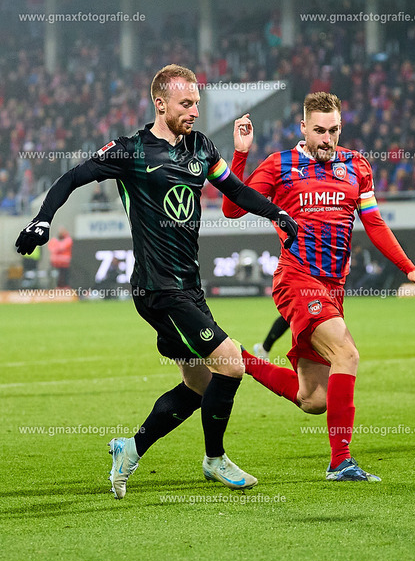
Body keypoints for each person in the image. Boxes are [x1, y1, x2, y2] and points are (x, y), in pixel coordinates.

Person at [15, 64, 298, 499]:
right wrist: (43, 219)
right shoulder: (131, 151)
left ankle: (130, 449)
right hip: (158, 289)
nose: (195, 111)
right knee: (231, 363)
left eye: (197, 104)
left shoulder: (201, 147)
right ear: (160, 103)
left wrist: (275, 211)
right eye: (186, 104)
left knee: (199, 386)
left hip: (189, 287)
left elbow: (235, 191)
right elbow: (73, 176)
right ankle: (215, 459)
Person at [222, 92, 415, 482]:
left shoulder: (357, 166)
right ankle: (341, 461)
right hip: (297, 279)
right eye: (319, 130)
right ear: (303, 128)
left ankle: (239, 357)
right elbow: (232, 209)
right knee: (347, 354)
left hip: (334, 287)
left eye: (334, 130)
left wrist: (409, 269)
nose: (327, 139)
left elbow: (374, 223)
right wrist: (240, 154)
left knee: (314, 399)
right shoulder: (279, 164)